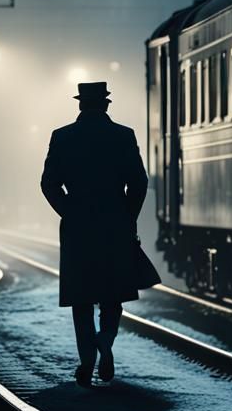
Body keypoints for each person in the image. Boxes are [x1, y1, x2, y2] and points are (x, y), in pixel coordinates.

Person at [40, 81, 150, 386]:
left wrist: (69, 211)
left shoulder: (62, 137)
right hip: (115, 225)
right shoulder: (123, 136)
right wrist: (127, 216)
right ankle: (106, 340)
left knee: (81, 297)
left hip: (78, 229)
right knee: (112, 294)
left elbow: (48, 183)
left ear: (80, 105)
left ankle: (87, 361)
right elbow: (139, 183)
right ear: (106, 105)